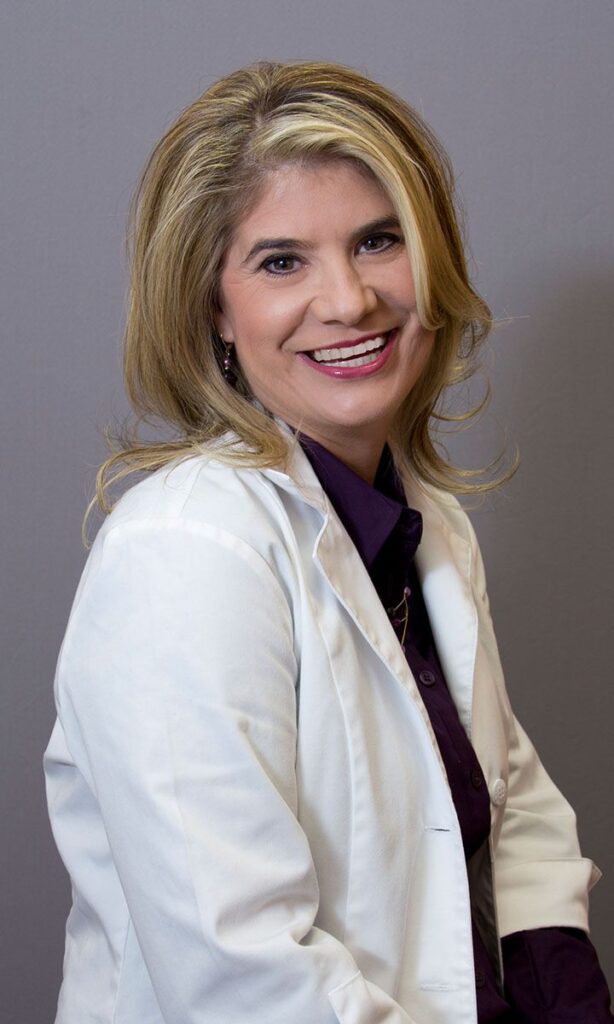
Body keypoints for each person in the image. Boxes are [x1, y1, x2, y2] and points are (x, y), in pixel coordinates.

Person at [44, 60, 612, 1023]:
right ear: (214, 311)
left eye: (377, 241)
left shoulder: (421, 522)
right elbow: (245, 980)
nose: (349, 301)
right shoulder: (186, 554)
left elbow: (511, 806)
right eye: (281, 261)